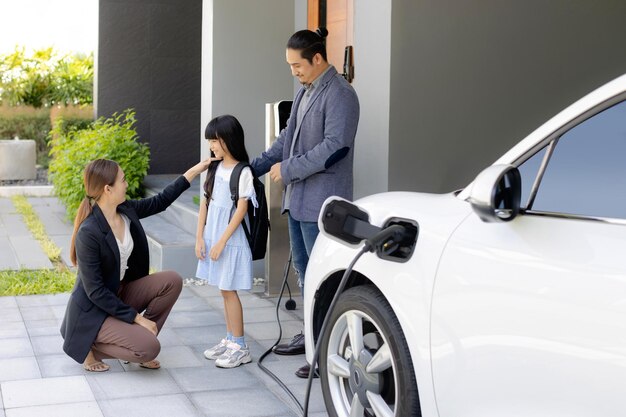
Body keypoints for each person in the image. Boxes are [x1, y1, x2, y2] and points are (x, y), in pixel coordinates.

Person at [250, 28, 360, 378]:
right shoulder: (304, 91)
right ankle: (311, 335)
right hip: (298, 201)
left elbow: (335, 147)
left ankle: (326, 350)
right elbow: (288, 138)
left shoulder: (341, 94)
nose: (293, 72)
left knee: (324, 277)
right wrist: (255, 166)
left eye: (297, 65)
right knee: (305, 274)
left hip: (322, 204)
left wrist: (289, 169)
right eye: (289, 66)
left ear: (317, 58)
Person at [60, 157, 211, 372]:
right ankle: (89, 344)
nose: (126, 183)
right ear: (107, 189)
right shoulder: (89, 232)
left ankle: (136, 336)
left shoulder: (126, 211)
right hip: (94, 310)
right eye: (122, 180)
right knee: (149, 348)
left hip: (119, 293)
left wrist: (194, 171)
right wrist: (137, 318)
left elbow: (161, 201)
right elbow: (95, 292)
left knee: (172, 281)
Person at [195, 115, 256, 368]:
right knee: (224, 289)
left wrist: (221, 242)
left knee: (229, 291)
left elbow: (241, 209)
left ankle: (240, 346)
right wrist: (200, 236)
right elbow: (205, 203)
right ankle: (231, 340)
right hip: (214, 237)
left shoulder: (243, 171)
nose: (212, 146)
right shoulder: (214, 167)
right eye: (210, 141)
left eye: (215, 140)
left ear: (228, 139)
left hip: (230, 240)